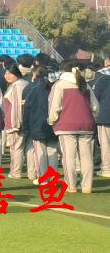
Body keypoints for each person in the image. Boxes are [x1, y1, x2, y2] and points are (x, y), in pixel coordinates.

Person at [48, 60, 95, 193]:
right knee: (87, 157)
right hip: (86, 125)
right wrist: (91, 118)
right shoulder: (85, 85)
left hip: (66, 126)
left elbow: (54, 107)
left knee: (69, 157)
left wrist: (52, 121)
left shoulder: (59, 85)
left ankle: (71, 185)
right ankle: (87, 186)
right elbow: (95, 107)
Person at [1, 63, 29, 179]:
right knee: (25, 148)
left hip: (15, 121)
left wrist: (17, 123)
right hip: (23, 120)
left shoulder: (17, 86)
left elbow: (17, 106)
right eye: (6, 73)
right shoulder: (24, 83)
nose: (7, 76)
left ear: (16, 74)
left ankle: (15, 172)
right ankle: (31, 172)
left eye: (10, 73)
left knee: (16, 148)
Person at [94, 57, 110, 178]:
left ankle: (106, 169)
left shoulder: (101, 78)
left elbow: (95, 97)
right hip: (105, 114)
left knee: (106, 144)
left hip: (105, 115)